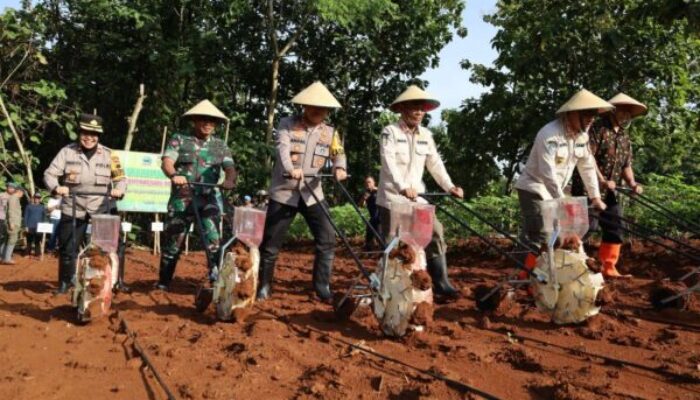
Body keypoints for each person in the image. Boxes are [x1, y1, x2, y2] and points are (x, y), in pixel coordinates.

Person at [256, 81, 347, 303]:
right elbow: (282, 150)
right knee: (271, 243)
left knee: (327, 239)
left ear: (327, 110)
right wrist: (291, 169)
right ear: (304, 106)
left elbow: (339, 154)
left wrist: (340, 168)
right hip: (285, 192)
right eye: (313, 106)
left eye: (322, 108)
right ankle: (264, 286)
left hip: (313, 193)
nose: (317, 111)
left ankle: (322, 286)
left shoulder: (330, 132)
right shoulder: (287, 124)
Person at [377, 85, 464, 300]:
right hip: (392, 197)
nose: (418, 112)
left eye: (421, 108)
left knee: (435, 232)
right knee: (394, 243)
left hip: (418, 198)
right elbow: (388, 162)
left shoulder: (426, 135)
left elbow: (435, 163)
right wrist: (401, 186)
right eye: (414, 107)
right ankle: (389, 286)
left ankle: (441, 283)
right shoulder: (390, 132)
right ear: (403, 109)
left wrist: (450, 186)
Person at [514, 89, 610, 278]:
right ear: (572, 114)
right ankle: (529, 278)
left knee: (557, 235)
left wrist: (596, 197)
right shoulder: (550, 134)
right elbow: (547, 172)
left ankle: (543, 272)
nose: (592, 119)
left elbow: (587, 167)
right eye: (587, 114)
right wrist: (561, 201)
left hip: (556, 191)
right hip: (535, 187)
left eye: (593, 115)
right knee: (541, 234)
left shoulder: (582, 137)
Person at [155, 100, 237, 310]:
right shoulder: (179, 139)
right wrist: (174, 175)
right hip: (182, 199)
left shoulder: (220, 145)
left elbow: (230, 168)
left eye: (212, 121)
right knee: (173, 244)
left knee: (213, 242)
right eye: (203, 120)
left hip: (208, 200)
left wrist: (229, 180)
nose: (207, 124)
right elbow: (167, 162)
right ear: (195, 121)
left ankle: (215, 280)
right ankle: (163, 281)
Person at [44, 113, 127, 294]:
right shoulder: (67, 152)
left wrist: (119, 190)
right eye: (85, 133)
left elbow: (121, 178)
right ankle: (66, 283)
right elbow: (49, 174)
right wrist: (57, 188)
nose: (89, 138)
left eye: (94, 134)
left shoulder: (109, 154)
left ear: (99, 136)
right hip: (75, 203)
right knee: (68, 246)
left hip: (102, 205)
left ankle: (117, 282)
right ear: (79, 133)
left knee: (112, 245)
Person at [572, 93, 647, 278]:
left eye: (629, 114)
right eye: (622, 112)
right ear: (613, 112)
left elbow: (626, 165)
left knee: (615, 224)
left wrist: (632, 183)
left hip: (611, 191)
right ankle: (571, 263)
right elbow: (588, 160)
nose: (626, 117)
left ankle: (608, 266)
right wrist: (601, 181)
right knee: (588, 226)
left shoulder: (624, 138)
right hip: (588, 188)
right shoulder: (597, 130)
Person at [1, 183, 24, 264]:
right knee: (12, 240)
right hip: (13, 223)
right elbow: (10, 211)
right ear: (19, 191)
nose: (22, 195)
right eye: (22, 193)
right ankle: (7, 258)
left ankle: (3, 257)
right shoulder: (14, 198)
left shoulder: (14, 198)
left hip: (13, 222)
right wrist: (11, 222)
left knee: (7, 239)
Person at [358, 176, 380, 251]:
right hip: (373, 217)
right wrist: (364, 198)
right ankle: (369, 250)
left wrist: (375, 190)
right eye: (366, 183)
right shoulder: (366, 193)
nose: (367, 184)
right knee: (369, 235)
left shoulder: (378, 191)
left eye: (369, 182)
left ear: (374, 183)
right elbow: (361, 205)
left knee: (380, 236)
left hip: (380, 218)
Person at [24, 193, 46, 257]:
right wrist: (26, 226)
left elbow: (44, 217)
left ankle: (37, 254)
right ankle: (27, 253)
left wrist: (43, 225)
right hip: (30, 225)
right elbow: (26, 216)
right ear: (33, 198)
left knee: (38, 241)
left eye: (38, 198)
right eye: (35, 198)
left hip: (39, 226)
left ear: (40, 199)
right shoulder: (28, 206)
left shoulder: (42, 207)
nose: (37, 199)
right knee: (29, 241)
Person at [0, 183, 17, 258]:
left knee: (8, 236)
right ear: (7, 188)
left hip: (10, 220)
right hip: (1, 218)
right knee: (1, 236)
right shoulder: (1, 195)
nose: (11, 189)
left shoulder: (15, 197)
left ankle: (5, 253)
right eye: (9, 187)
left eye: (13, 188)